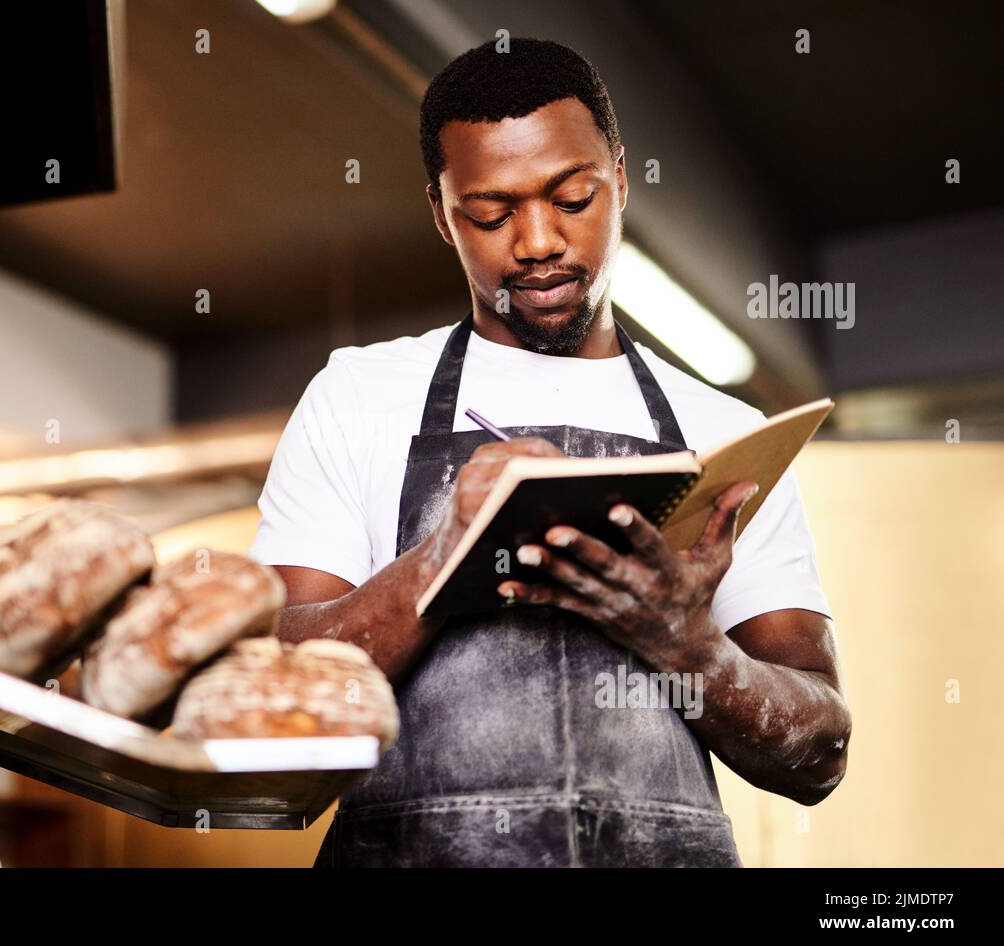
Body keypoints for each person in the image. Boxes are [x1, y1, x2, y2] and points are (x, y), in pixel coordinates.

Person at [248, 38, 850, 867]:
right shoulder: (358, 395)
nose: (537, 241)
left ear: (622, 179)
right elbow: (274, 695)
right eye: (491, 213)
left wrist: (690, 648)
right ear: (440, 211)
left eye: (573, 198)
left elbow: (820, 750)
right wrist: (438, 565)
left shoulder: (723, 429)